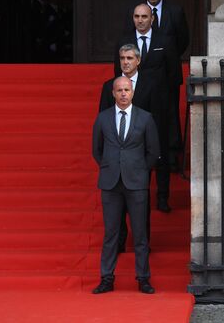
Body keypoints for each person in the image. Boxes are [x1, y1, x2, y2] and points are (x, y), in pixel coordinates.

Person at [92, 76, 160, 294]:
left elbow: (153, 151)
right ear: (113, 93)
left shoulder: (146, 118)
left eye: (126, 90)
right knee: (111, 233)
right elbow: (97, 150)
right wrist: (110, 167)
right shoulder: (102, 118)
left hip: (137, 183)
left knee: (139, 234)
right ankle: (106, 278)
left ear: (132, 93)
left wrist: (140, 170)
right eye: (119, 90)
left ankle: (143, 278)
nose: (123, 94)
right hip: (110, 183)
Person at [114, 3, 180, 214]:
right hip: (133, 104)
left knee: (158, 151)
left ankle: (162, 196)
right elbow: (119, 75)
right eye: (136, 16)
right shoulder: (124, 41)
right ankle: (133, 192)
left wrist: (166, 102)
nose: (140, 20)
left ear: (152, 18)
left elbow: (174, 75)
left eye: (144, 16)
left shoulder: (165, 40)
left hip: (158, 105)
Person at [121, 0, 189, 171]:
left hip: (167, 74)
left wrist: (167, 56)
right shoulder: (135, 13)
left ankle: (171, 155)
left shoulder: (175, 12)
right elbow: (128, 39)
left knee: (169, 115)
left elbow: (182, 40)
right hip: (141, 76)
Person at [100, 43, 163, 253]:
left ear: (138, 61)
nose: (125, 62)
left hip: (140, 156)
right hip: (115, 158)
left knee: (140, 205)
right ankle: (119, 242)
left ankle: (142, 244)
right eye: (122, 58)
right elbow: (101, 123)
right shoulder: (108, 86)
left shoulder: (150, 85)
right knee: (115, 206)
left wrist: (146, 163)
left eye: (129, 58)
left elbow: (156, 120)